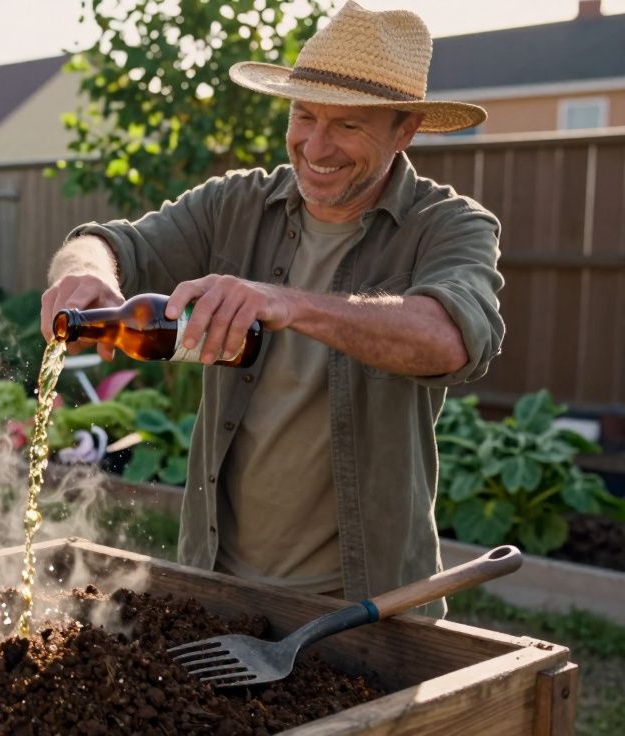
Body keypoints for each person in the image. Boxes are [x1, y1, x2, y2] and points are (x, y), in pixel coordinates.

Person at [41, 2, 504, 617]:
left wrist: (288, 303)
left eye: (347, 126)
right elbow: (106, 240)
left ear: (405, 130)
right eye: (304, 114)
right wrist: (86, 277)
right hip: (214, 584)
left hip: (369, 604)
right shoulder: (234, 204)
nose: (316, 144)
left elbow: (450, 338)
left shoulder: (449, 226)